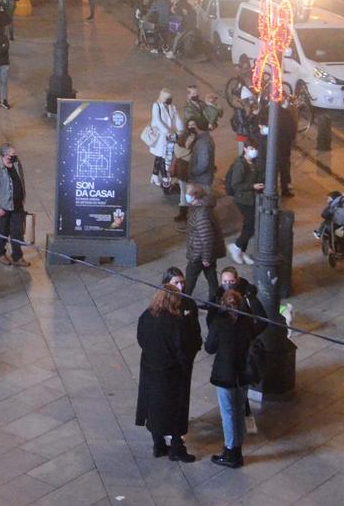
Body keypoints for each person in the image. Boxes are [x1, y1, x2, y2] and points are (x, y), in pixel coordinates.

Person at [134, 285, 201, 462]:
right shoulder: (174, 322)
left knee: (155, 409)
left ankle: (158, 445)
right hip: (172, 375)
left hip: (150, 371)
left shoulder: (146, 316)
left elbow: (141, 339)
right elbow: (180, 348)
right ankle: (177, 448)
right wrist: (185, 364)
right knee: (175, 411)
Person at [204, 287, 252, 468]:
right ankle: (237, 449)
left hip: (225, 374)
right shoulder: (247, 322)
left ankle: (230, 450)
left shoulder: (219, 323)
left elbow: (210, 348)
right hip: (243, 373)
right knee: (239, 411)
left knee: (228, 413)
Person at [0, 144, 27, 266]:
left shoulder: (17, 163)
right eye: (12, 155)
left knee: (17, 232)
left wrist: (22, 197)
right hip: (4, 208)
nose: (15, 156)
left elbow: (20, 180)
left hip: (17, 206)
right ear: (4, 155)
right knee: (2, 231)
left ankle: (17, 257)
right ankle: (0, 254)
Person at [224, 139, 263, 268]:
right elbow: (236, 184)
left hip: (251, 197)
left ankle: (241, 251)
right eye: (251, 148)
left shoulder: (253, 162)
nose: (254, 151)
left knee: (249, 224)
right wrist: (253, 186)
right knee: (251, 224)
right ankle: (236, 246)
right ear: (245, 149)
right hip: (243, 199)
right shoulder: (240, 164)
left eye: (255, 148)